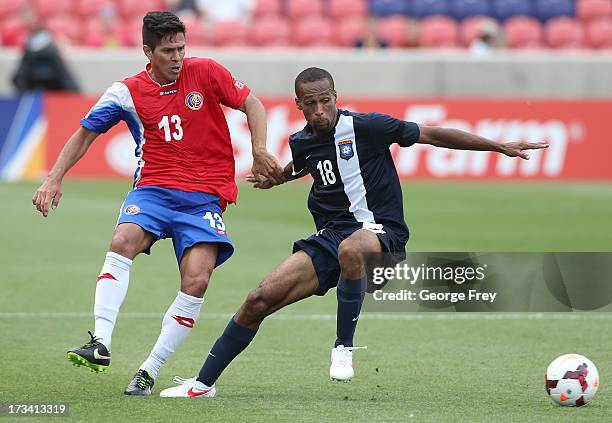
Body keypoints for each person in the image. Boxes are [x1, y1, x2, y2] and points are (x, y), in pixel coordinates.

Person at [158, 67, 549, 398]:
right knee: (258, 299)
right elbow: (305, 164)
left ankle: (343, 347)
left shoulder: (367, 127)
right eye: (310, 104)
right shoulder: (302, 141)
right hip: (331, 240)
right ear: (299, 106)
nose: (319, 109)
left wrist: (499, 146)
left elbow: (431, 133)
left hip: (381, 234)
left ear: (334, 97)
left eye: (324, 100)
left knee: (351, 249)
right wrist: (280, 179)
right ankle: (202, 384)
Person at [31, 11, 282, 396]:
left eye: (182, 47)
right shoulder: (126, 91)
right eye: (168, 51)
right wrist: (54, 177)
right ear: (148, 51)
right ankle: (100, 341)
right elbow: (85, 134)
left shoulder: (207, 71)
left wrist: (260, 149)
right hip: (154, 189)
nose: (178, 57)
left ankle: (149, 369)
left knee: (197, 280)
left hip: (203, 198)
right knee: (121, 242)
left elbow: (253, 104)